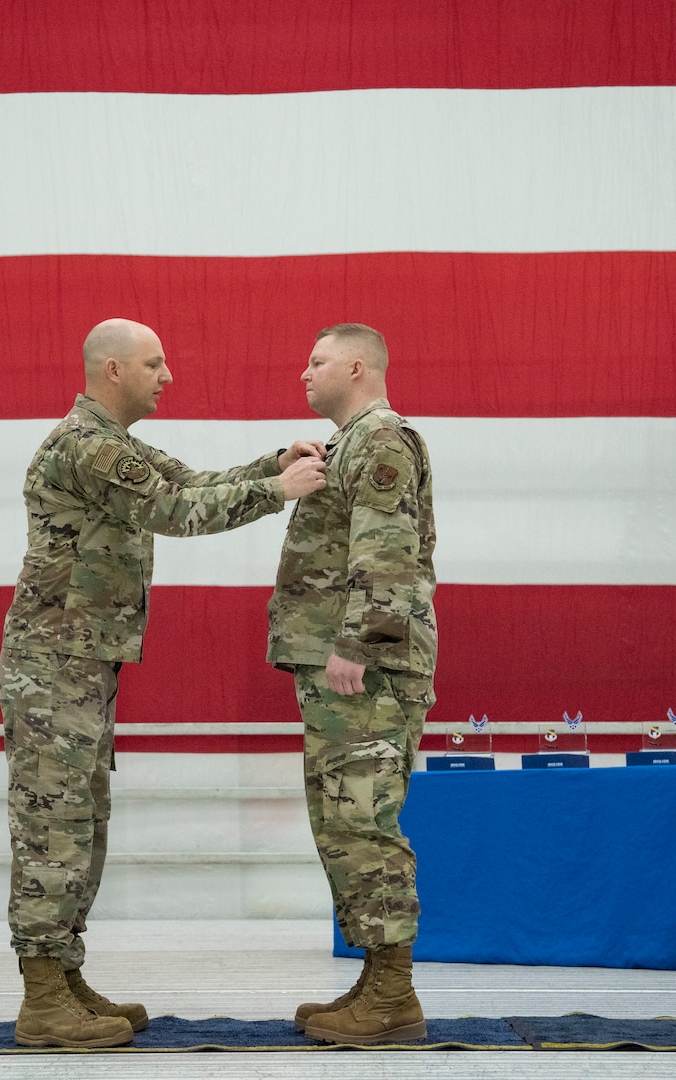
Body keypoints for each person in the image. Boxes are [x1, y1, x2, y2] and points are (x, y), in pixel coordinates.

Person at [0, 317, 329, 1048]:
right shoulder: (86, 446)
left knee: (83, 822)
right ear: (112, 370)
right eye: (154, 364)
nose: (167, 375)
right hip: (53, 664)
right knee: (52, 829)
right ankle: (41, 998)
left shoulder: (115, 444)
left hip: (81, 661)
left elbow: (188, 480)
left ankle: (64, 974)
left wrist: (272, 460)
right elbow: (175, 511)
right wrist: (280, 490)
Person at [266, 324, 438, 1045]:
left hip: (364, 668)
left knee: (364, 823)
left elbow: (386, 547)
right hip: (343, 666)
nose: (304, 372)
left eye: (317, 361)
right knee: (342, 823)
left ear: (358, 366)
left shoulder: (382, 440)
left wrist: (357, 643)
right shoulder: (347, 444)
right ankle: (376, 979)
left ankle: (395, 995)